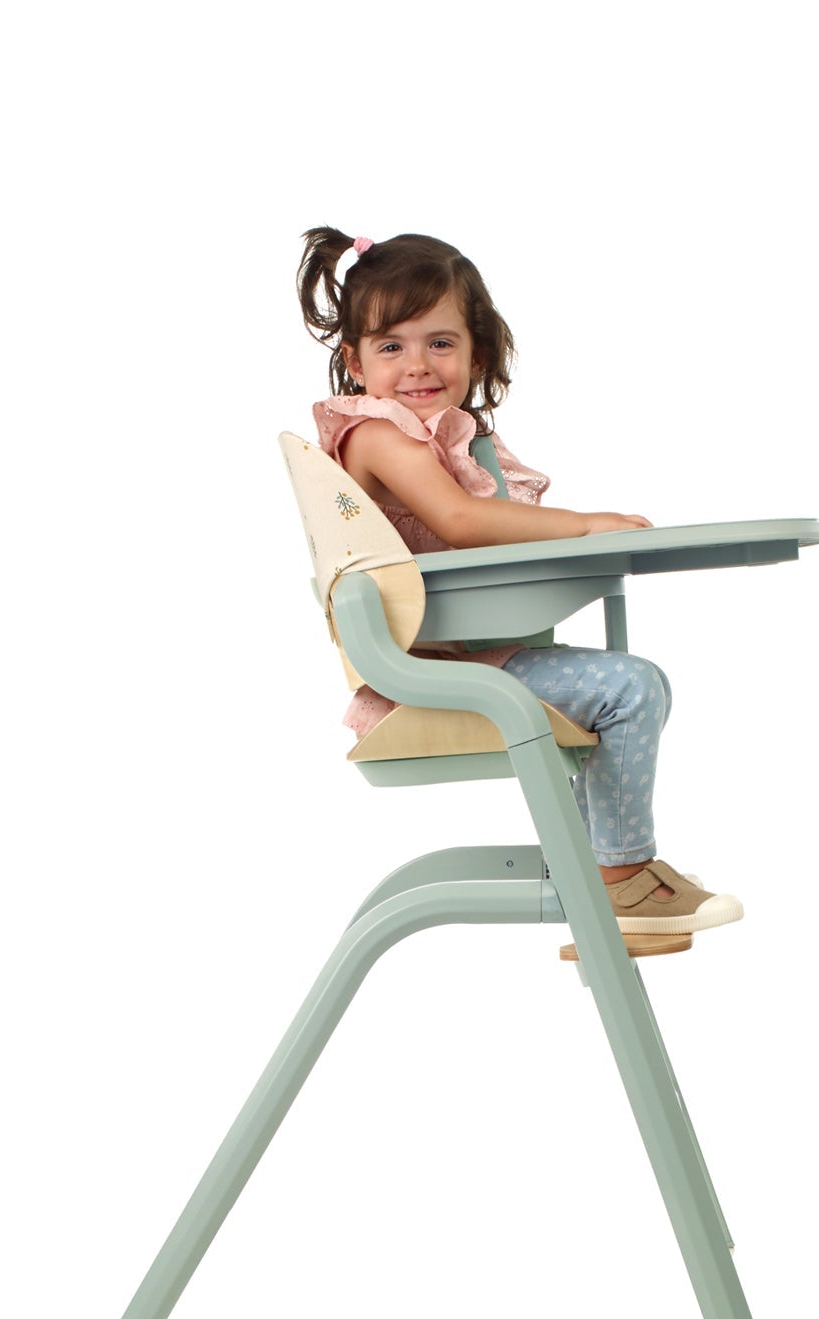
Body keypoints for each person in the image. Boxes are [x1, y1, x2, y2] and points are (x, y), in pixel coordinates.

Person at [297, 227, 741, 937]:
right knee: (631, 688)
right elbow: (460, 520)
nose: (418, 365)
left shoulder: (450, 439)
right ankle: (620, 878)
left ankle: (606, 879)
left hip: (478, 651)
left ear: (476, 352)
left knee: (632, 686)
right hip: (437, 669)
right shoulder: (377, 434)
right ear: (355, 361)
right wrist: (586, 525)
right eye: (391, 346)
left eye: (441, 342)